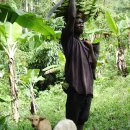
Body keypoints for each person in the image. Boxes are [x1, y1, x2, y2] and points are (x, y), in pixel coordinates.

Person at [60, 0, 99, 130]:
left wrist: (91, 49)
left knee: (82, 121)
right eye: (77, 22)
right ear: (71, 25)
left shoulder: (85, 44)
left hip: (87, 90)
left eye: (82, 22)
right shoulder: (68, 40)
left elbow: (94, 64)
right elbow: (71, 16)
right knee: (71, 123)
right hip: (75, 89)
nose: (81, 24)